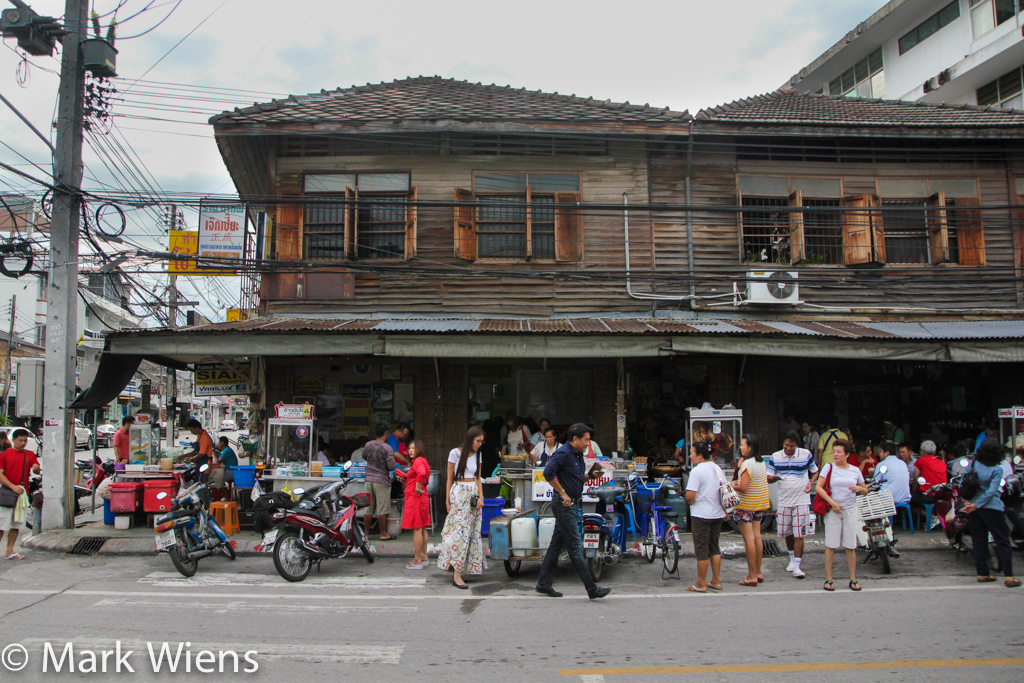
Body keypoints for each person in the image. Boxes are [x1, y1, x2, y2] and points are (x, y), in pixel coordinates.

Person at [534, 423, 610, 599]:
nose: (588, 444)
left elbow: (575, 478)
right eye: (586, 440)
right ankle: (592, 588)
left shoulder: (577, 455)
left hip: (572, 503)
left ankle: (543, 583)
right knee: (575, 547)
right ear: (575, 439)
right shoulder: (563, 453)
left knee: (555, 545)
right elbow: (548, 472)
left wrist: (590, 476)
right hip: (565, 505)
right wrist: (563, 493)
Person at [963, 438, 1019, 587]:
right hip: (992, 508)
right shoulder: (997, 469)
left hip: (974, 506)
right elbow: (991, 492)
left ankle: (982, 573)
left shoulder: (975, 464)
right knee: (1003, 541)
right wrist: (977, 505)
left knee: (979, 540)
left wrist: (970, 503)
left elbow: (967, 482)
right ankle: (1009, 577)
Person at [816, 440, 868, 592]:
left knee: (850, 545)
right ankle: (829, 578)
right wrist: (832, 503)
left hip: (850, 510)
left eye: (839, 452)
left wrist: (859, 488)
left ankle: (853, 578)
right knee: (831, 544)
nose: (836, 454)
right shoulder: (828, 467)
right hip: (833, 510)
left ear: (847, 454)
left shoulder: (855, 470)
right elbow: (819, 487)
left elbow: (865, 490)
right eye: (834, 452)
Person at [438, 426, 486, 589]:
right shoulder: (455, 453)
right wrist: (447, 501)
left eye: (481, 441)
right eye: (478, 441)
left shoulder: (478, 454)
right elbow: (449, 478)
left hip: (473, 493)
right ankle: (456, 573)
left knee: (472, 532)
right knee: (459, 533)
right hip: (458, 493)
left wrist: (481, 496)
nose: (480, 444)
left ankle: (463, 569)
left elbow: (478, 478)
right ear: (470, 439)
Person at [766, 430, 819, 579]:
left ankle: (797, 565)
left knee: (800, 534)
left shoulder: (805, 454)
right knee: (787, 533)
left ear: (797, 446)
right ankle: (791, 558)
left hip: (802, 500)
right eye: (786, 445)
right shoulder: (776, 457)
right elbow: (768, 478)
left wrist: (811, 482)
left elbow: (815, 471)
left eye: (792, 446)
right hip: (784, 500)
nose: (788, 448)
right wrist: (775, 478)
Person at [685, 441, 726, 592]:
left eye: (692, 453)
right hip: (717, 514)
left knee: (702, 549)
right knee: (714, 547)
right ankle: (716, 580)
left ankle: (701, 583)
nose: (690, 456)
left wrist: (691, 500)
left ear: (700, 455)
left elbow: (690, 496)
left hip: (701, 514)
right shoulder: (717, 468)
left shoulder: (697, 471)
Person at [731, 434, 770, 586]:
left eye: (742, 445)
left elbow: (743, 487)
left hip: (746, 505)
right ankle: (758, 572)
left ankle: (751, 575)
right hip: (759, 504)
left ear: (750, 447)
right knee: (757, 536)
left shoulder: (747, 464)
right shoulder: (760, 463)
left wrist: (733, 485)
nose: (740, 447)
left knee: (749, 539)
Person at [0, 429, 41, 560]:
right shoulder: (4, 455)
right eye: (20, 440)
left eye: (25, 440)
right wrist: (12, 486)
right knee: (1, 524)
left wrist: (36, 469)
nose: (23, 443)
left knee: (16, 524)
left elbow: (37, 470)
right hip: (7, 492)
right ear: (13, 440)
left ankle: (9, 550)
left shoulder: (29, 454)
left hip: (22, 494)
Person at [363, 424, 397, 542]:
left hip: (368, 480)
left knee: (368, 508)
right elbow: (392, 466)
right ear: (386, 433)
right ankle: (383, 533)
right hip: (381, 481)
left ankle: (366, 534)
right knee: (381, 509)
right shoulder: (387, 448)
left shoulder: (368, 445)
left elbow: (364, 456)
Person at [402, 439, 432, 570]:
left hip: (416, 499)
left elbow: (421, 474)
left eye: (413, 448)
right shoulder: (423, 461)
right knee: (423, 528)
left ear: (419, 449)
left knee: (417, 529)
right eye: (409, 448)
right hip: (422, 497)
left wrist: (417, 487)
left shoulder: (418, 461)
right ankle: (424, 556)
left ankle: (417, 560)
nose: (410, 450)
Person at [875, 441, 911, 506]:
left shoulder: (882, 464)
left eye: (881, 452)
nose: (879, 454)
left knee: (868, 497)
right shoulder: (903, 463)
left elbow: (875, 484)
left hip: (888, 499)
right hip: (904, 499)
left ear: (887, 453)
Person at [911, 440, 946, 507]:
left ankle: (930, 516)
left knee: (911, 500)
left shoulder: (921, 461)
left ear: (924, 452)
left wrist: (913, 492)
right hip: (941, 495)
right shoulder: (941, 462)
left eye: (920, 451)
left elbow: (915, 481)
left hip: (929, 496)